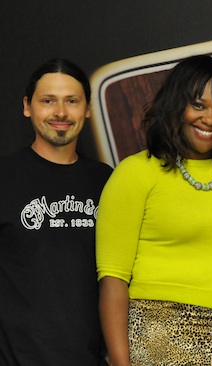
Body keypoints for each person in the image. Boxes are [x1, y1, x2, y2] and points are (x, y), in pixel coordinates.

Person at [96, 54, 212, 366]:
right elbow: (112, 280)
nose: (210, 119)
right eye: (198, 105)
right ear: (175, 104)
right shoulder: (135, 173)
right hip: (155, 336)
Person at [0, 59, 112, 365]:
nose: (60, 113)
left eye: (72, 101)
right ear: (28, 106)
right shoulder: (4, 177)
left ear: (87, 108)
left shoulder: (108, 181)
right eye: (48, 101)